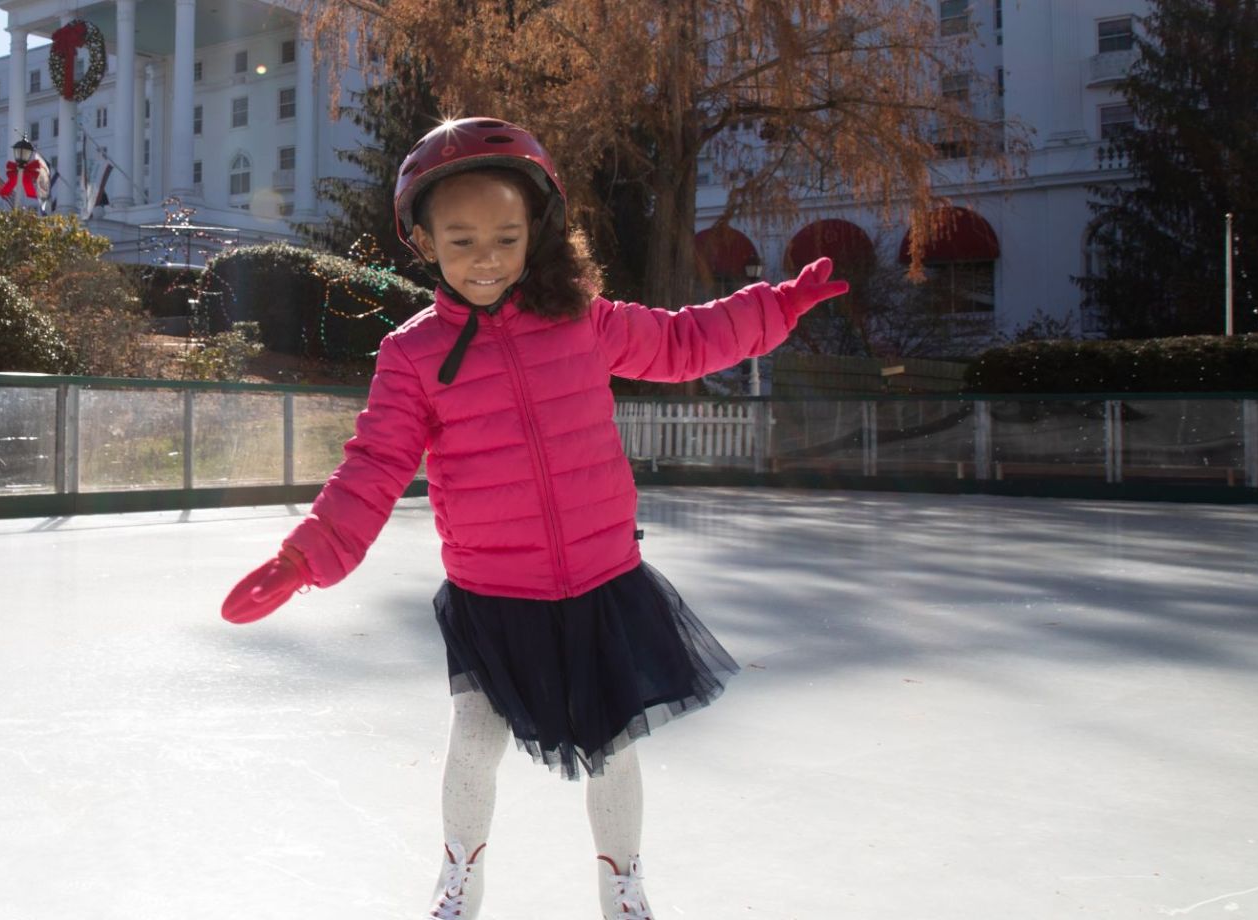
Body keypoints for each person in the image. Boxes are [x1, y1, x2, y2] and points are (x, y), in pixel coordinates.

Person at [220, 117, 845, 918]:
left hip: (601, 585)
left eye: (506, 238)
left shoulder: (582, 320)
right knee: (475, 747)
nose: (486, 258)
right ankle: (459, 877)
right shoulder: (413, 357)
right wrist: (307, 557)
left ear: (537, 233)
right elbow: (372, 466)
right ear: (425, 242)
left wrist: (779, 306)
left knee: (614, 755)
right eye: (463, 240)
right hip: (495, 597)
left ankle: (622, 887)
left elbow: (684, 343)